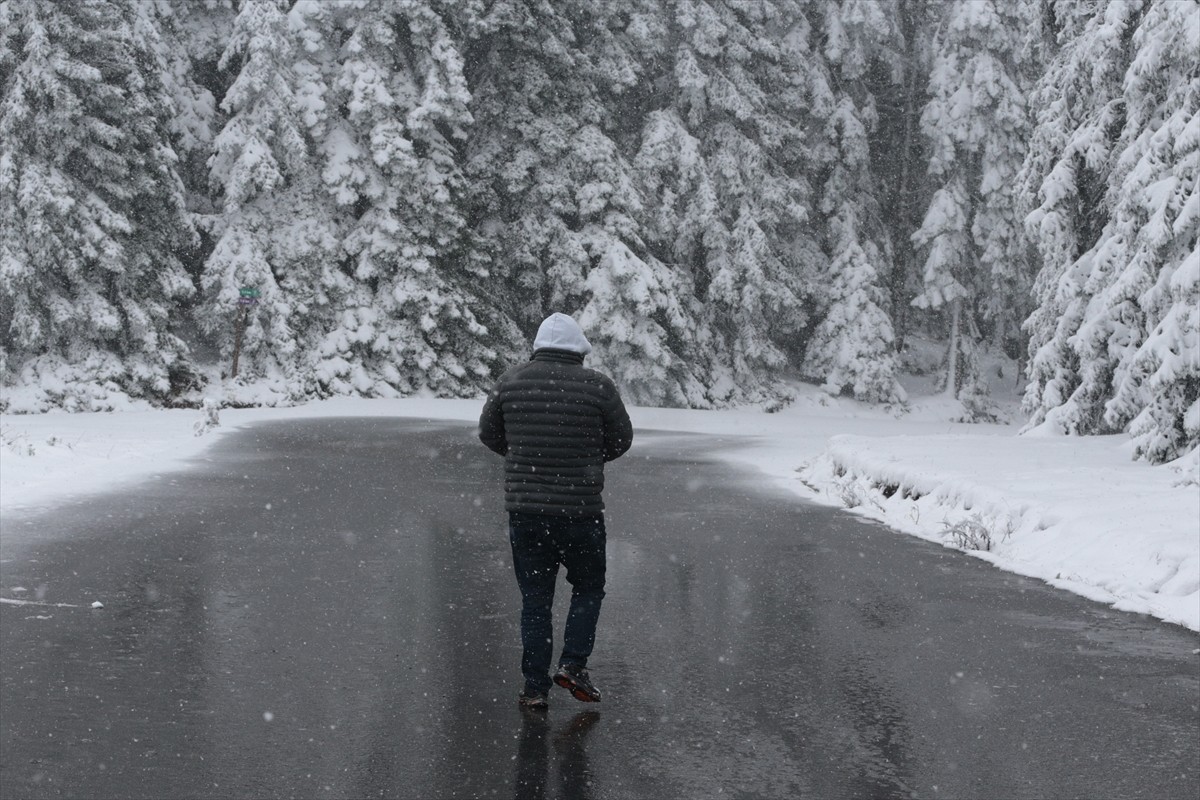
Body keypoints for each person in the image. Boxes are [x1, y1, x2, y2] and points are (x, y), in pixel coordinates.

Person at [479, 312, 633, 709]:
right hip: (581, 511)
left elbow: (489, 434)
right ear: (578, 349)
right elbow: (621, 440)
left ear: (538, 347)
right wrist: (585, 460)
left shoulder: (510, 382)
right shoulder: (598, 387)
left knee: (535, 601)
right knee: (587, 588)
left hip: (526, 513)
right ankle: (573, 664)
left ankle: (534, 688)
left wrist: (523, 459)